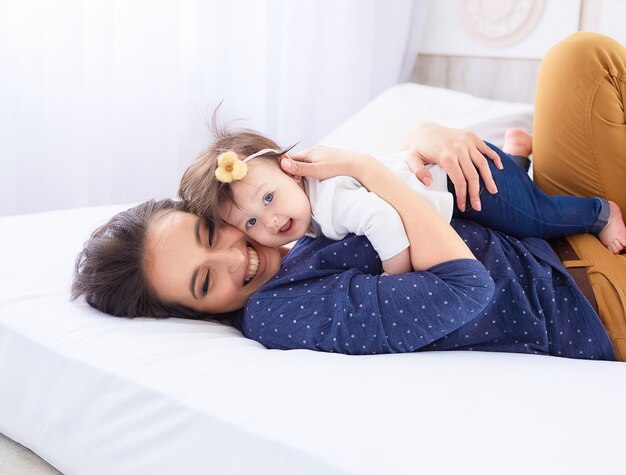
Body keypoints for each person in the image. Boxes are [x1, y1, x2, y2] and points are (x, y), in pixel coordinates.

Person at [72, 32, 626, 361]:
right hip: (582, 294)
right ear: (189, 314)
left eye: (210, 235)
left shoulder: (292, 220)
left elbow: (388, 189)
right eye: (204, 281)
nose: (235, 257)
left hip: (543, 224)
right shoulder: (279, 313)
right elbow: (464, 289)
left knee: (578, 58)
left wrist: (422, 140)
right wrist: (367, 168)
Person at [177, 120, 625, 277]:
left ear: (291, 168)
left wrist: (396, 275)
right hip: (457, 184)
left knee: (534, 217)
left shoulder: (332, 200)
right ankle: (519, 153)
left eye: (270, 198)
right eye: (251, 223)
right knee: (517, 195)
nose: (271, 222)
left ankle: (600, 212)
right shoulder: (310, 206)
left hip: (463, 184)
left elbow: (384, 223)